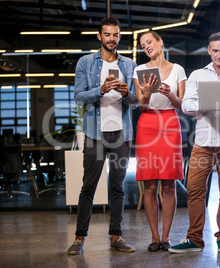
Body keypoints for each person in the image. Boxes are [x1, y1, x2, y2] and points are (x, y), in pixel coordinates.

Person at [168, 32, 220, 253]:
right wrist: (212, 105)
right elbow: (186, 106)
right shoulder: (197, 75)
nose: (219, 54)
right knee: (194, 189)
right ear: (209, 50)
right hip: (203, 141)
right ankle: (195, 239)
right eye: (215, 50)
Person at [67, 17, 138, 255]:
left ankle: (116, 237)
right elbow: (78, 96)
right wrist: (101, 90)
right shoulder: (86, 62)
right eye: (107, 34)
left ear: (119, 37)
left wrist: (128, 92)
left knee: (117, 187)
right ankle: (79, 238)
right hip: (95, 134)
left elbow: (135, 103)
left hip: (121, 134)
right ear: (99, 36)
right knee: (89, 186)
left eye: (116, 35)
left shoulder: (129, 64)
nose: (112, 39)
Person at [133, 31, 186, 251]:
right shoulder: (139, 70)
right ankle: (154, 237)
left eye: (149, 42)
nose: (146, 46)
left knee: (169, 183)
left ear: (160, 42)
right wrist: (145, 93)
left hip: (170, 124)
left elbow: (184, 105)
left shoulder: (178, 70)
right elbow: (142, 106)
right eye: (143, 44)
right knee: (149, 184)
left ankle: (166, 237)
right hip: (147, 124)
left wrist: (170, 96)